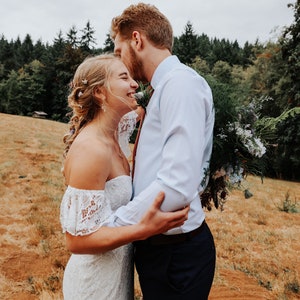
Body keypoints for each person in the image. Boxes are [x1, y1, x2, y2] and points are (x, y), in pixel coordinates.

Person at [59, 54, 189, 300]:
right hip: (94, 284)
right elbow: (77, 242)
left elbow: (146, 104)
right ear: (99, 92)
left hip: (117, 275)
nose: (134, 84)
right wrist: (141, 229)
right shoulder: (92, 150)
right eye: (123, 77)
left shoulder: (116, 128)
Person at [108, 3, 216, 299]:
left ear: (137, 39)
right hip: (161, 250)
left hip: (177, 257)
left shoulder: (181, 85)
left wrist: (112, 228)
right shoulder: (164, 87)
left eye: (119, 52)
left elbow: (177, 184)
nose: (120, 63)